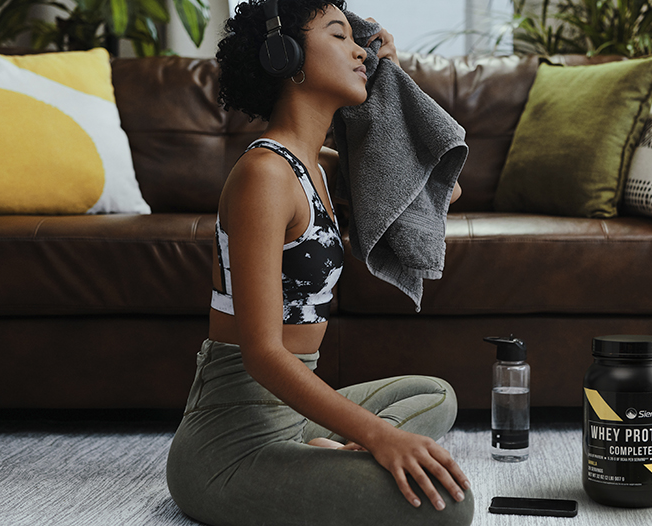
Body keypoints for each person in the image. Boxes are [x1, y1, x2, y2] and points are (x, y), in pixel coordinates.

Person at [165, 1, 472, 525]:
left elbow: (439, 194)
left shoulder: (316, 167)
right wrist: (378, 436)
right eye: (339, 36)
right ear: (286, 57)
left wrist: (387, 83)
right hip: (231, 445)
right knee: (449, 510)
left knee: (435, 394)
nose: (360, 50)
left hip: (294, 415)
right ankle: (329, 453)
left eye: (360, 41)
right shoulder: (266, 174)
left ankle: (322, 448)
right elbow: (262, 354)